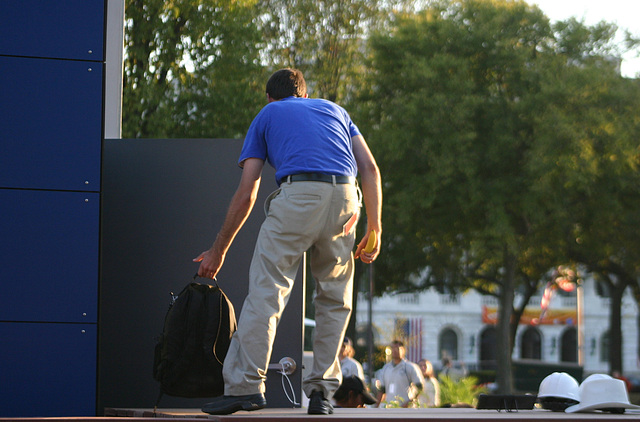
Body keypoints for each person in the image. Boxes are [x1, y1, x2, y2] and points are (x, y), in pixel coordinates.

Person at [194, 68, 382, 415]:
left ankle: (246, 387)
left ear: (269, 97)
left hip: (299, 196)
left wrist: (218, 249)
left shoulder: (268, 114)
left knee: (268, 293)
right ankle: (322, 393)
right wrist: (376, 227)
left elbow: (248, 191)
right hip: (346, 198)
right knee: (334, 299)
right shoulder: (336, 111)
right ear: (305, 96)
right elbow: (369, 167)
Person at [375, 340, 425, 408]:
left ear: (403, 350)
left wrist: (410, 402)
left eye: (397, 348)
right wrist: (376, 406)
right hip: (390, 406)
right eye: (392, 348)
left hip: (405, 408)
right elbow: (382, 390)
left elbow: (420, 387)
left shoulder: (410, 367)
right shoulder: (386, 368)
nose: (395, 351)